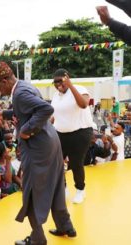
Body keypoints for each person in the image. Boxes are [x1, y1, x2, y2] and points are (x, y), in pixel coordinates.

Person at [0, 61, 75, 245]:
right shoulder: (24, 85)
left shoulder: (18, 93)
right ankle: (65, 226)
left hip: (38, 148)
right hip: (51, 142)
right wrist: (4, 113)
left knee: (31, 192)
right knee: (57, 184)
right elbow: (29, 109)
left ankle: (37, 239)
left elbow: (46, 109)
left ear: (4, 80)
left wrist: (25, 130)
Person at [51, 69, 93, 204]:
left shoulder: (80, 89)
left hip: (80, 133)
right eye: (55, 82)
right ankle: (63, 189)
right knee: (56, 162)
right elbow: (54, 116)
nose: (58, 84)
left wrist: (70, 86)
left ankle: (80, 190)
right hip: (60, 133)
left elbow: (83, 104)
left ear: (67, 78)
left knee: (75, 163)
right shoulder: (55, 95)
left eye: (61, 81)